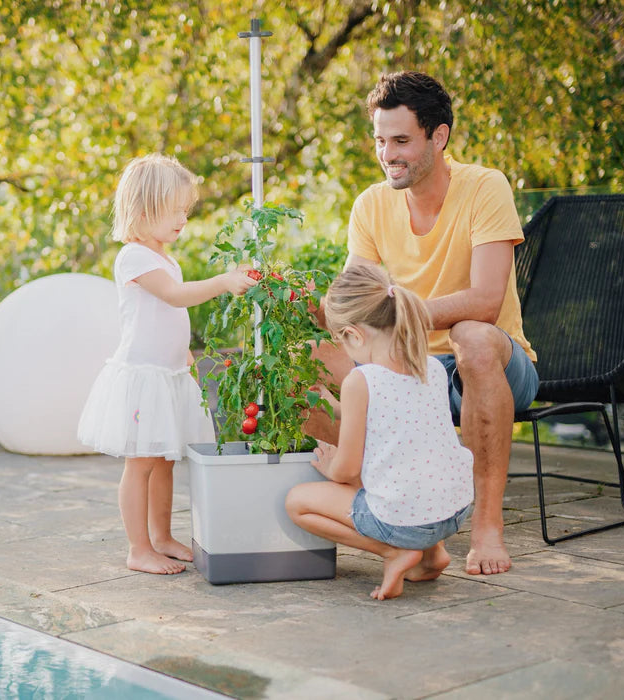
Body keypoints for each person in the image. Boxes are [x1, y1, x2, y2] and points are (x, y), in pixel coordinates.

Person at [305, 71, 539, 576]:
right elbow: (353, 312)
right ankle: (404, 522)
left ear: (439, 136)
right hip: (408, 367)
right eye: (380, 141)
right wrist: (311, 307)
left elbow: (486, 299)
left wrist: (398, 318)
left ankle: (486, 528)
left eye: (402, 141)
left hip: (492, 365)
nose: (388, 153)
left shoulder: (484, 186)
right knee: (308, 362)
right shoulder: (370, 205)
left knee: (472, 338)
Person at [78, 153, 258, 575]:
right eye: (173, 210)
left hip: (170, 374)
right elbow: (175, 298)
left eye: (185, 210)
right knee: (140, 464)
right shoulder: (134, 258)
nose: (183, 219)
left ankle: (161, 536)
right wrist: (223, 283)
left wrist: (188, 364)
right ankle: (138, 547)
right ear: (142, 212)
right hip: (144, 379)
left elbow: (172, 322)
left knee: (164, 461)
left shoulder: (163, 256)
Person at [287, 265, 474, 600]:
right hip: (454, 510)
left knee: (297, 503)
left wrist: (328, 465)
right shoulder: (429, 366)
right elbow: (395, 410)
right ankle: (434, 554)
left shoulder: (361, 381)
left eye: (340, 340)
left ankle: (394, 553)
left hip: (406, 522)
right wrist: (339, 404)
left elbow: (346, 470)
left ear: (355, 335)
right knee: (414, 470)